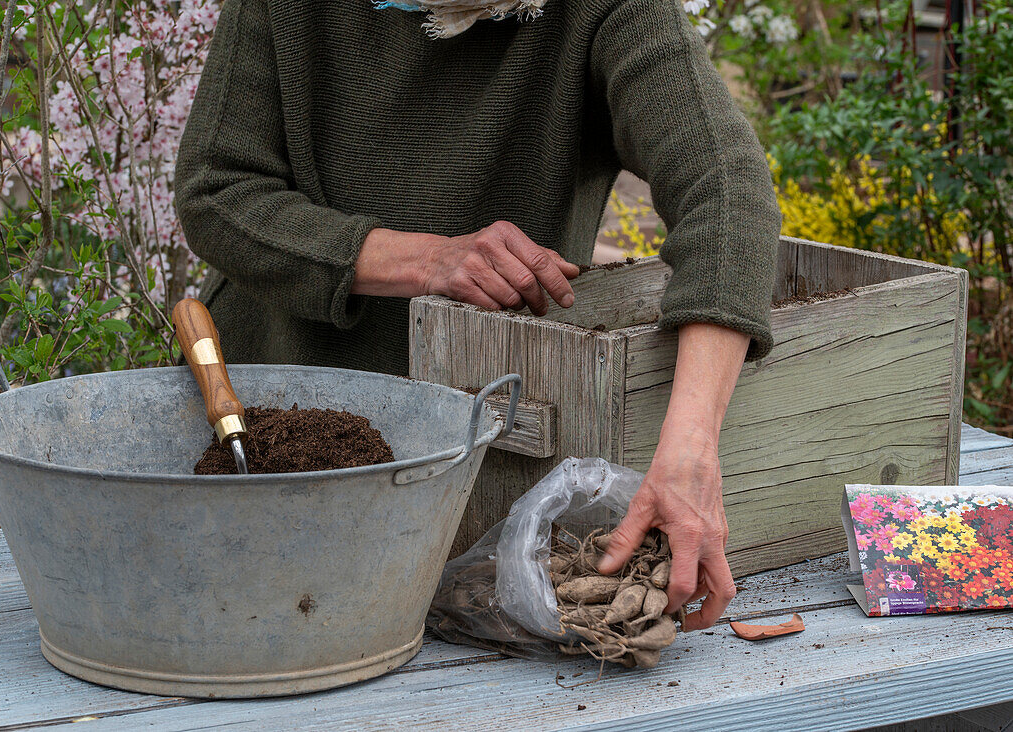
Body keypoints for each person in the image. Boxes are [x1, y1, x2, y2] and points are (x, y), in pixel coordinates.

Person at [174, 0, 782, 631]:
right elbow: (216, 190)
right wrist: (425, 260)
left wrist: (689, 451)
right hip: (277, 431)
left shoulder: (610, 11)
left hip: (491, 458)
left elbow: (726, 190)